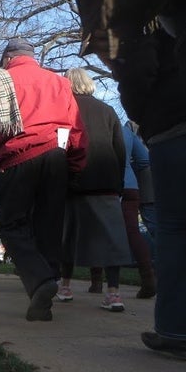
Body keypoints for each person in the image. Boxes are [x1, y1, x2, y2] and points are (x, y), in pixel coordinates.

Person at [70, 0, 186, 357]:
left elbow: (136, 75)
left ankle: (176, 330)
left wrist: (142, 111)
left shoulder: (151, 16)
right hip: (180, 126)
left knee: (172, 230)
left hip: (173, 127)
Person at [0, 38, 88, 321]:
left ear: (7, 58)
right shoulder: (58, 83)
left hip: (16, 160)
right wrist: (75, 166)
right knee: (48, 225)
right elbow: (77, 130)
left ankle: (40, 282)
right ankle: (44, 292)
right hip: (56, 158)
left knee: (10, 226)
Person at [57, 68, 131, 311]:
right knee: (112, 239)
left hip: (74, 183)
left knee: (68, 236)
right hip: (105, 183)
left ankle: (65, 286)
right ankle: (114, 293)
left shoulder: (64, 112)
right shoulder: (108, 111)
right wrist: (118, 182)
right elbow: (120, 150)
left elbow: (60, 148)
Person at [122, 124, 157, 299]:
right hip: (131, 185)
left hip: (101, 185)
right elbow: (144, 159)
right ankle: (149, 278)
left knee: (99, 231)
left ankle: (98, 283)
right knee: (133, 231)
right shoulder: (127, 131)